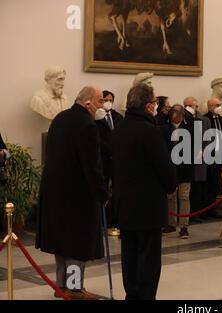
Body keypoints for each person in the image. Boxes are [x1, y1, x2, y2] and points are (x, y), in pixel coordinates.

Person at [35, 86, 110, 300]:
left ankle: (62, 287)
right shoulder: (86, 124)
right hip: (77, 195)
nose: (102, 105)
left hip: (55, 191)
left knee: (62, 242)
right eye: (99, 100)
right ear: (87, 102)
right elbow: (91, 165)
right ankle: (75, 289)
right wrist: (102, 194)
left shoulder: (60, 118)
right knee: (78, 244)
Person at [112, 83, 177, 300]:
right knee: (148, 259)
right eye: (155, 102)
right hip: (147, 206)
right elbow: (163, 165)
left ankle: (132, 295)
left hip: (125, 204)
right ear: (149, 106)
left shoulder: (120, 127)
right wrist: (171, 185)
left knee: (129, 255)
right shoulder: (149, 130)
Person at [163, 104, 194, 238]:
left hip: (185, 167)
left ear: (182, 115)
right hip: (169, 167)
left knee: (184, 197)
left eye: (178, 113)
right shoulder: (165, 128)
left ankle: (184, 226)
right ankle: (171, 223)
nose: (175, 115)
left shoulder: (189, 128)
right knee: (170, 197)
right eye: (173, 112)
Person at [95, 90, 124, 235]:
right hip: (103, 160)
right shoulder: (96, 118)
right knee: (103, 191)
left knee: (118, 191)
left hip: (117, 161)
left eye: (111, 100)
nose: (108, 102)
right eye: (105, 99)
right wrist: (111, 150)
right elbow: (96, 139)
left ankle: (117, 221)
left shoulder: (118, 117)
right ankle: (102, 222)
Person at [184, 97, 212, 222]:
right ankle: (189, 214)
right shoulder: (184, 119)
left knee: (200, 186)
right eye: (188, 105)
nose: (190, 107)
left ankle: (198, 212)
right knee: (189, 188)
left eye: (193, 105)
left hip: (201, 157)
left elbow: (209, 138)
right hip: (187, 158)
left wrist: (203, 151)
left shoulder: (204, 120)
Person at [204, 98, 222, 219]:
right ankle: (204, 209)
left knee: (215, 184)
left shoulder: (221, 120)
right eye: (217, 105)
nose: (219, 107)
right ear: (210, 106)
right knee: (207, 183)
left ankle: (212, 209)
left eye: (220, 105)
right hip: (208, 154)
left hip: (219, 154)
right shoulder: (205, 118)